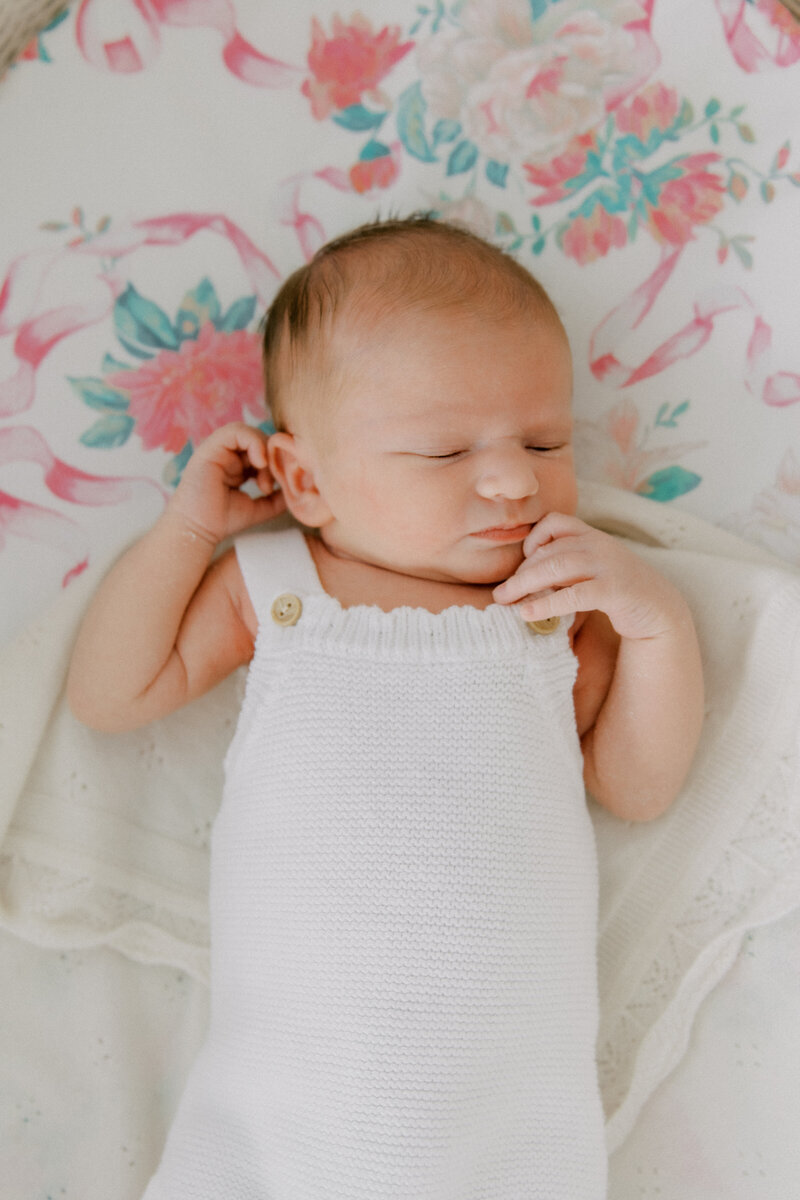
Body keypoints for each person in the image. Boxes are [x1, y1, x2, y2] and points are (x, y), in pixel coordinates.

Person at [67, 215, 704, 1199]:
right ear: (304, 481)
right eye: (444, 453)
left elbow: (637, 788)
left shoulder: (551, 615)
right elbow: (111, 696)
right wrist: (188, 529)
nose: (510, 479)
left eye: (543, 440)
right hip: (286, 1100)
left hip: (504, 1114)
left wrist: (655, 626)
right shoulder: (276, 591)